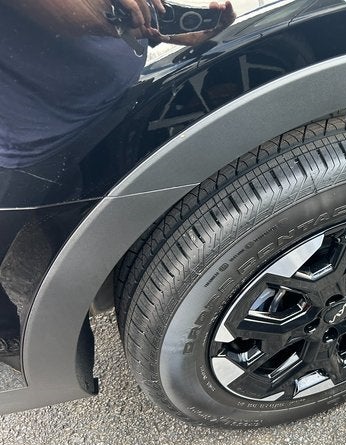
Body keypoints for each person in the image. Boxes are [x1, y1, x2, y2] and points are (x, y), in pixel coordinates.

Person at [0, 0, 235, 361]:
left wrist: (160, 24)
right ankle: (11, 338)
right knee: (57, 239)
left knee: (75, 233)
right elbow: (73, 13)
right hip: (31, 141)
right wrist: (112, 13)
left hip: (97, 104)